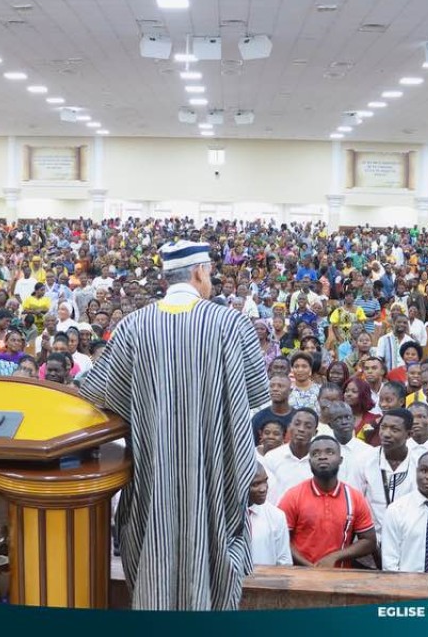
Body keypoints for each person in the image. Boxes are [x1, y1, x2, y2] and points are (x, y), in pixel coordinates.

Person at [78, 240, 270, 610]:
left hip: (155, 474)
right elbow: (254, 397)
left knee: (156, 559)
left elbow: (98, 393)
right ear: (199, 271)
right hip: (213, 474)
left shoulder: (133, 327)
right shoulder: (232, 325)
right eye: (209, 272)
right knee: (212, 560)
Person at [278, 434, 376, 568]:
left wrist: (335, 557)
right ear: (309, 461)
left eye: (329, 452)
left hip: (340, 575)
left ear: (340, 460)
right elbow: (281, 540)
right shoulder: (293, 496)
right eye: (315, 453)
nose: (322, 457)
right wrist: (310, 567)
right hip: (300, 575)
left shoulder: (354, 497)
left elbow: (369, 541)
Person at [356, 409, 420, 538]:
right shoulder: (365, 459)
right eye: (383, 427)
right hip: (371, 538)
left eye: (394, 430)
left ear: (409, 434)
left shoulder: (419, 463)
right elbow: (355, 501)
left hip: (408, 537)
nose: (386, 434)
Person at [263, 408, 318, 504]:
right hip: (278, 511)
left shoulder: (319, 461)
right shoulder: (272, 457)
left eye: (308, 426)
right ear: (289, 427)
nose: (301, 429)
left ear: (315, 432)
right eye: (297, 424)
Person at [246, 464, 292, 566]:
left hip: (266, 575)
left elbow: (284, 560)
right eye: (255, 484)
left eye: (265, 481)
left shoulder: (276, 516)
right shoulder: (224, 516)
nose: (263, 489)